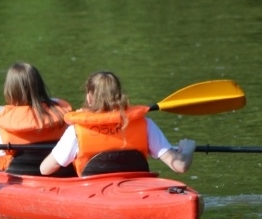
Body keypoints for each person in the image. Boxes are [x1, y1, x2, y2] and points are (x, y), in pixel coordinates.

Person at [40, 71, 195, 177]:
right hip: (136, 190)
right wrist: (187, 149)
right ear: (119, 95)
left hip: (93, 194)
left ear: (89, 98)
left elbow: (45, 169)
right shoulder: (144, 123)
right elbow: (180, 166)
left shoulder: (76, 131)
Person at [0, 62, 72, 173]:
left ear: (9, 91)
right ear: (40, 87)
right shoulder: (65, 121)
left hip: (16, 180)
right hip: (58, 177)